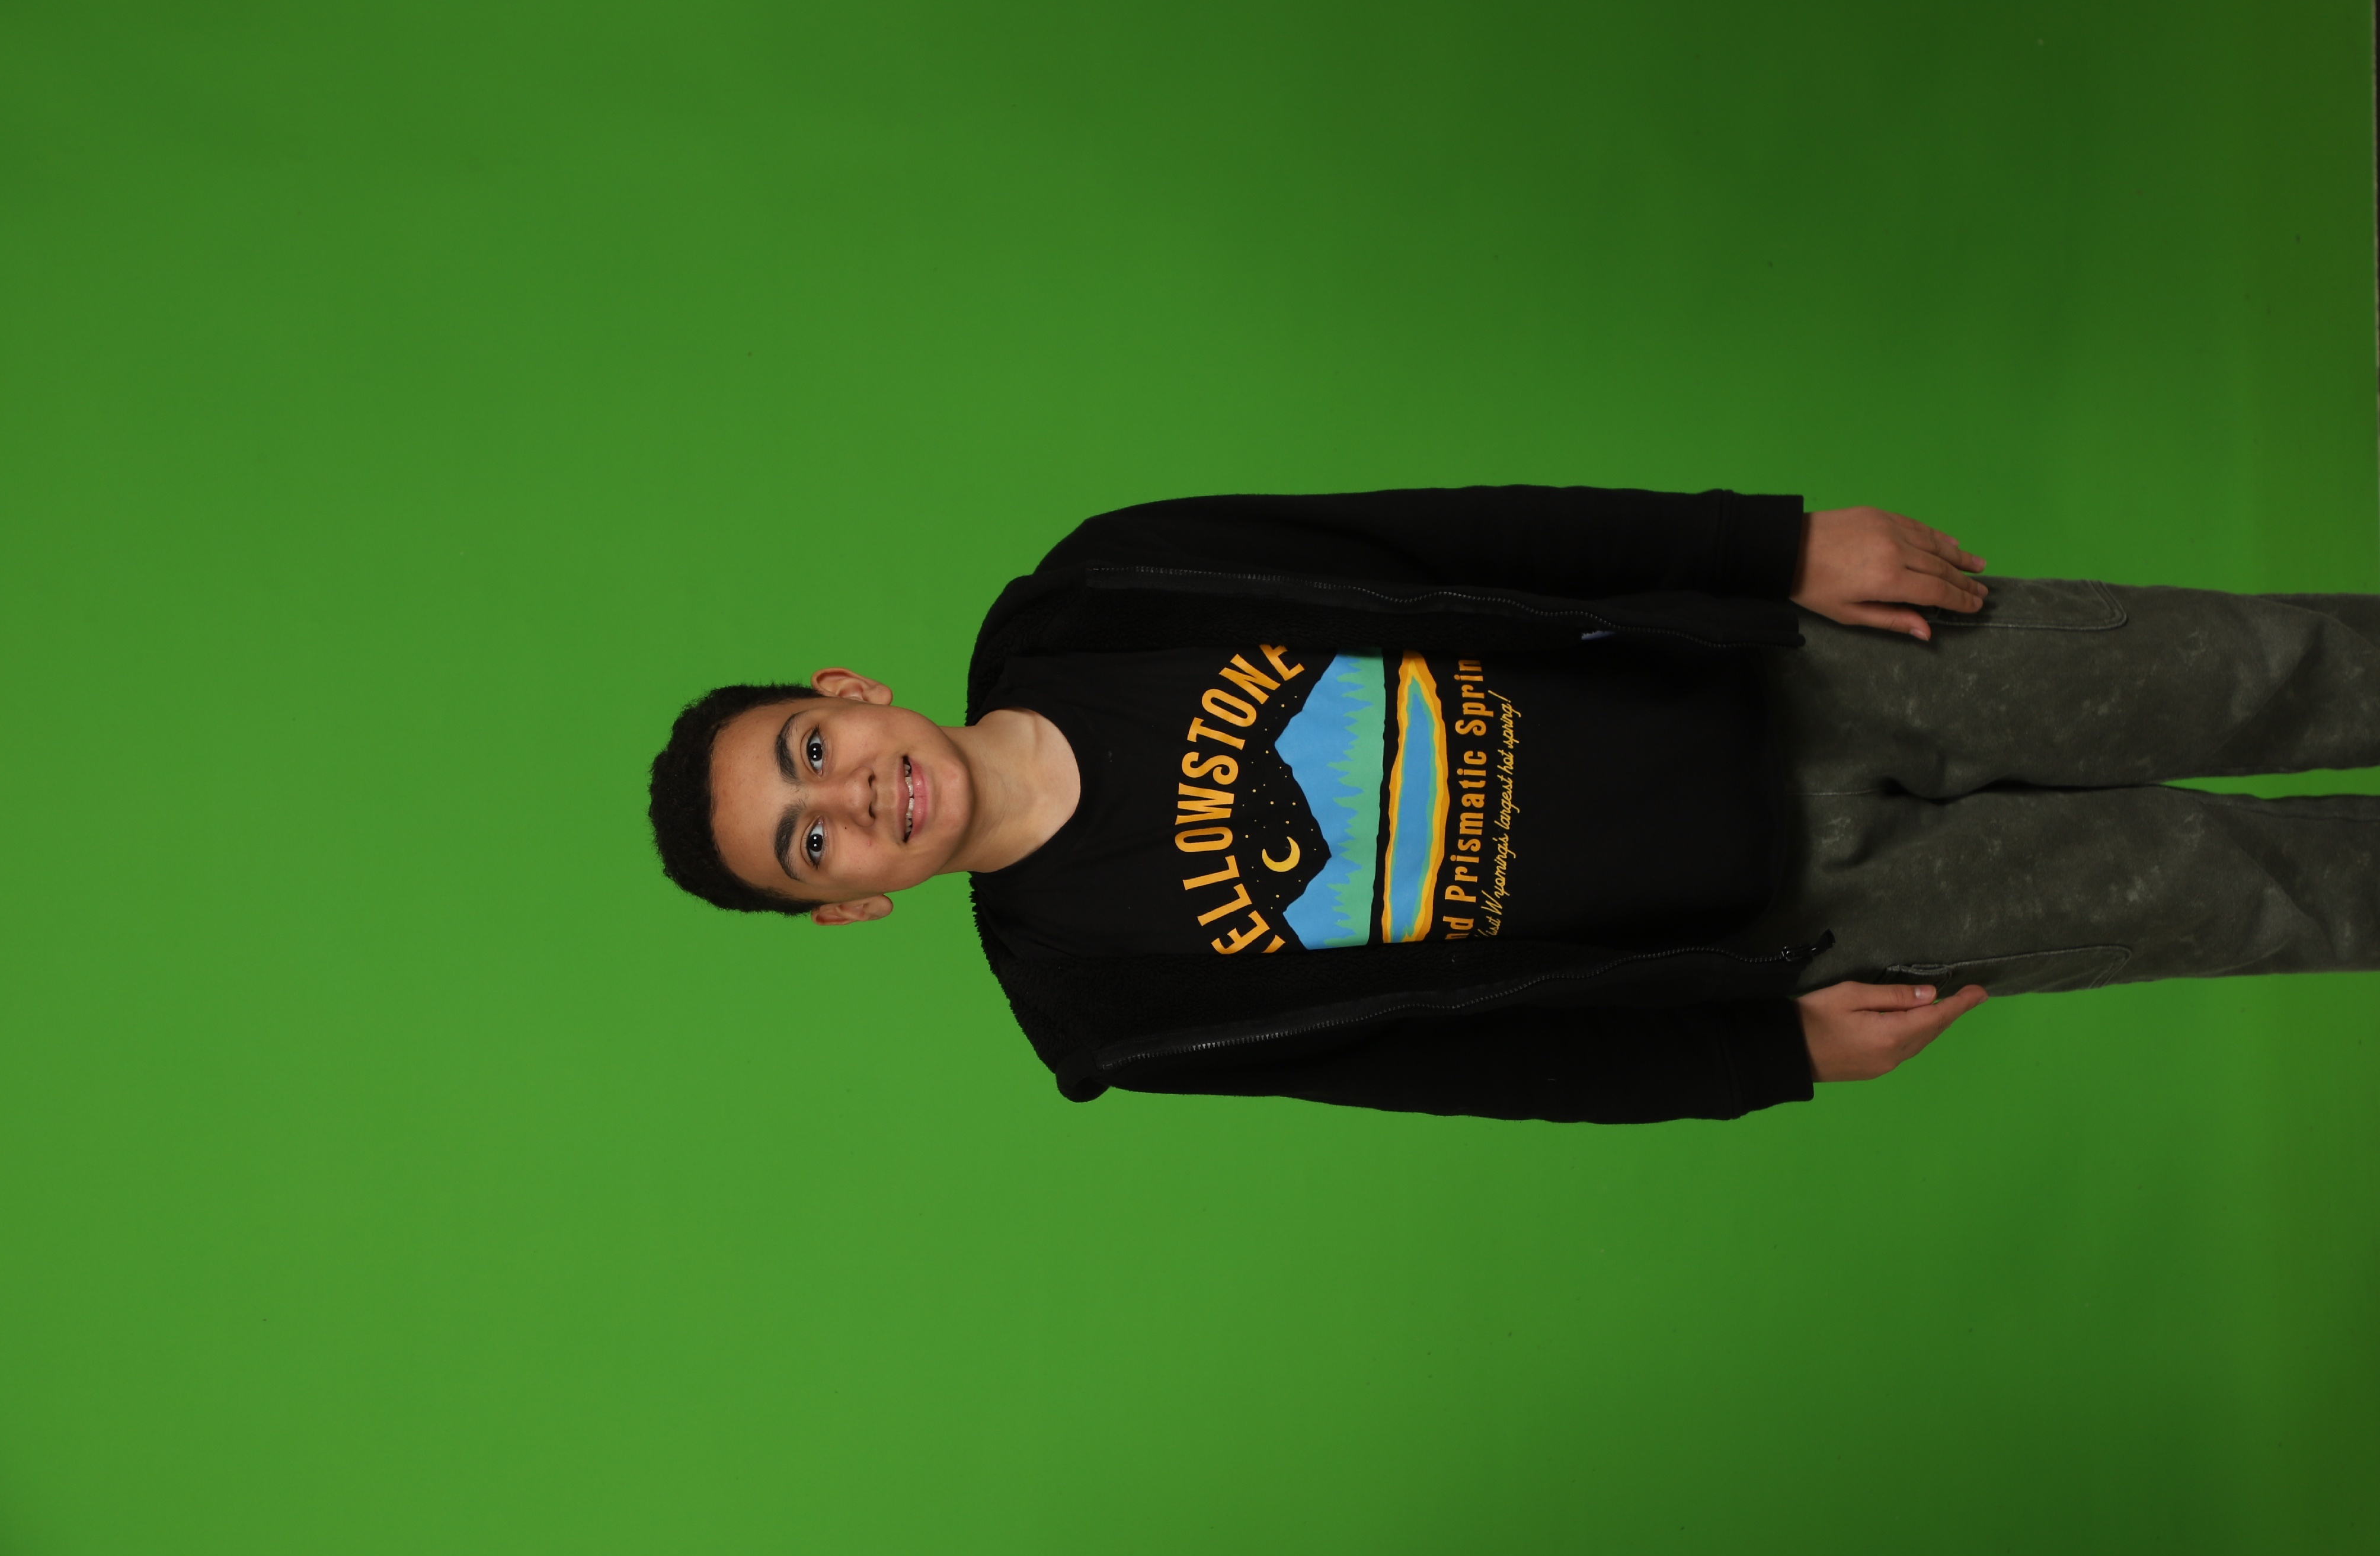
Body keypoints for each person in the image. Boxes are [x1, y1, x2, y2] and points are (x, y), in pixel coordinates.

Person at [646, 486, 2380, 1123]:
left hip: (1794, 667)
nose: (851, 794)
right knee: (2246, 892)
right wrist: (1763, 1056)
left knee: (2258, 668)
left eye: (809, 748)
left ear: (847, 690)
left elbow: (1456, 538)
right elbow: (1463, 1061)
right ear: (851, 903)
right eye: (814, 843)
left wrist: (1770, 547)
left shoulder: (1107, 590)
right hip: (1811, 920)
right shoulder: (1106, 1004)